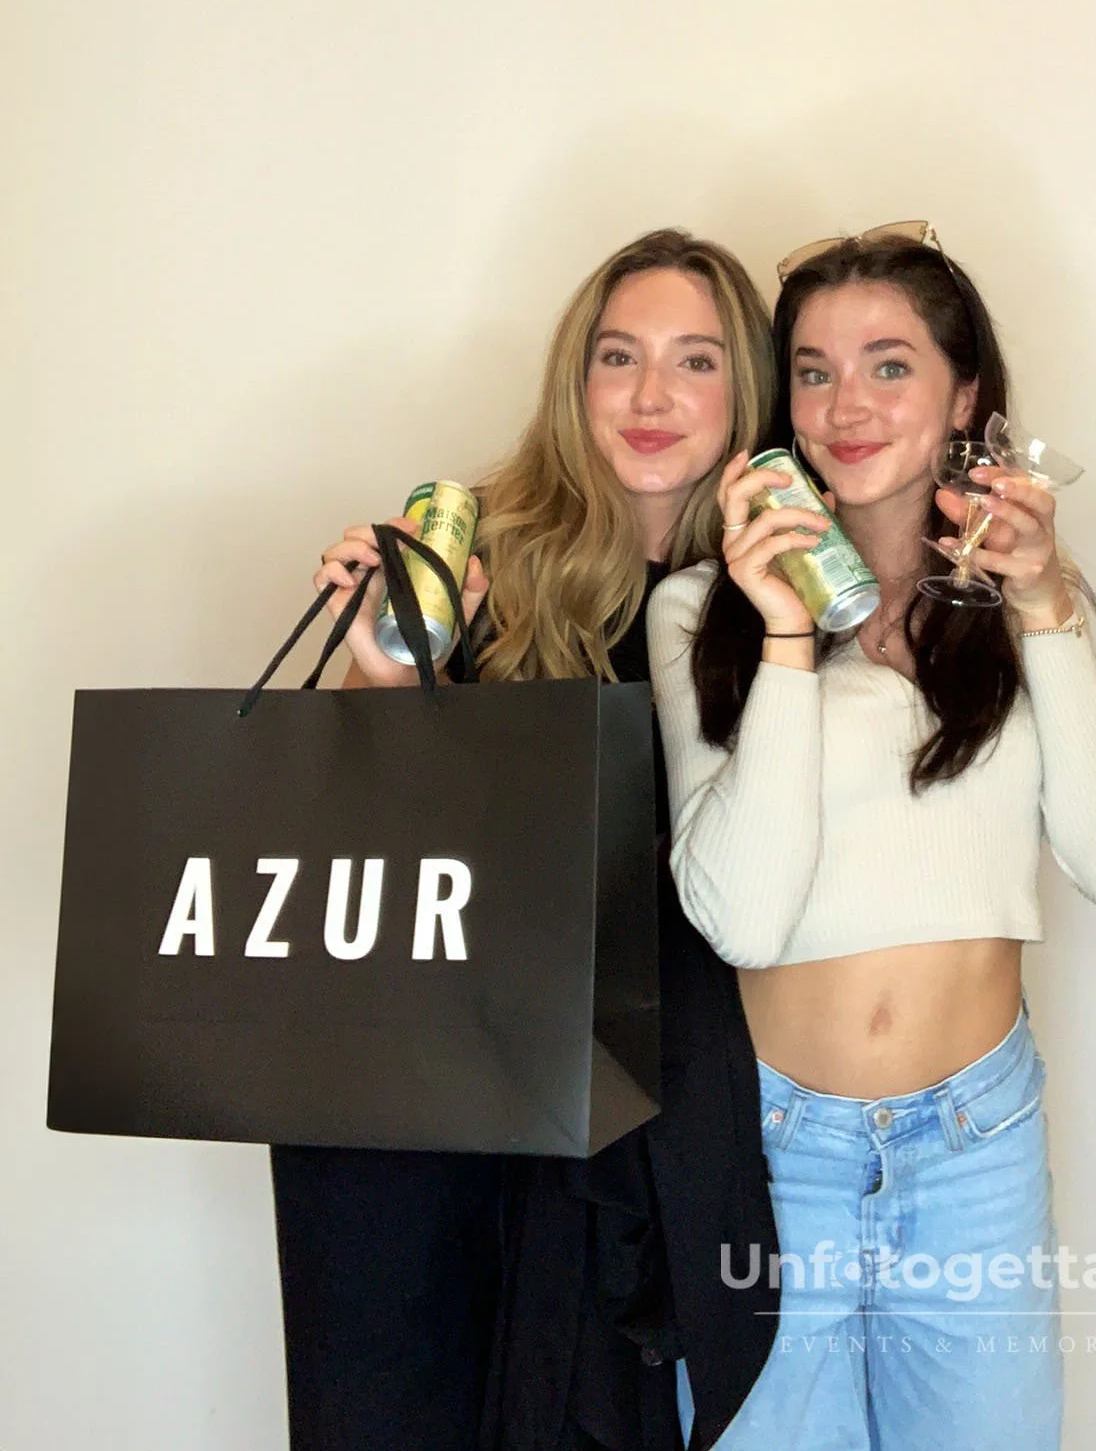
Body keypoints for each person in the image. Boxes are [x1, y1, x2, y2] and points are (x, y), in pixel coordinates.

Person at [647, 224, 1096, 1451]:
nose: (847, 406)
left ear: (963, 395)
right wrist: (786, 634)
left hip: (974, 1152)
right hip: (772, 1157)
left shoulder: (1025, 611)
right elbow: (742, 919)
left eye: (890, 365)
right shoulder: (700, 613)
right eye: (813, 372)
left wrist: (1044, 605)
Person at [270, 227, 778, 1451]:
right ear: (574, 380)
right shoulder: (482, 563)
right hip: (438, 1115)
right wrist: (379, 661)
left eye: (697, 361)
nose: (651, 396)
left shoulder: (776, 601)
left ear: (746, 391)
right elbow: (359, 837)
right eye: (619, 356)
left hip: (652, 1118)